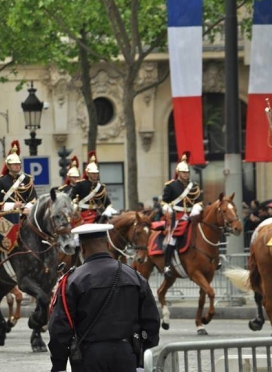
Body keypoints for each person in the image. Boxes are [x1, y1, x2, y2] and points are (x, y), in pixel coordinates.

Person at [48, 223, 160, 372]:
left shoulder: (72, 281)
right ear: (107, 244)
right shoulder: (134, 277)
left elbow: (59, 327)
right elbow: (151, 322)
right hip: (127, 355)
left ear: (82, 248)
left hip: (88, 358)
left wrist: (59, 365)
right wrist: (142, 360)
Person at [0, 140, 37, 270]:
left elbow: (33, 198)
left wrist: (27, 208)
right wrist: (12, 206)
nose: (17, 166)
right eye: (14, 165)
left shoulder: (27, 179)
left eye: (18, 164)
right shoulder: (1, 181)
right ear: (8, 166)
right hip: (8, 216)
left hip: (25, 214)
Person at [161, 152, 203, 279]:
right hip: (177, 217)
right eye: (184, 172)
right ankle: (167, 265)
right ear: (178, 173)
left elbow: (199, 201)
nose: (186, 175)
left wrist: (196, 208)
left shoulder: (194, 186)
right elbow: (164, 201)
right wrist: (167, 209)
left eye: (187, 172)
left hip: (192, 216)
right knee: (172, 239)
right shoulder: (171, 186)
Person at [70, 151, 117, 224]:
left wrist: (108, 209)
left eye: (96, 173)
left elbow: (107, 203)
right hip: (81, 214)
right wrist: (75, 207)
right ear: (88, 173)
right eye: (93, 173)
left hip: (95, 215)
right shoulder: (80, 184)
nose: (95, 175)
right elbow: (71, 198)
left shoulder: (100, 187)